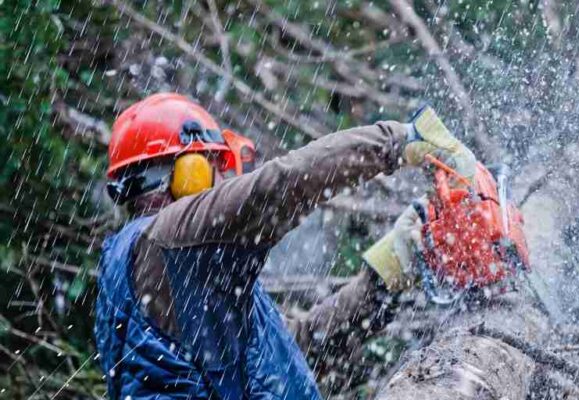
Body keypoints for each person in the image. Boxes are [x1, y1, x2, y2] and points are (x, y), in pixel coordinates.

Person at [93, 93, 475, 399]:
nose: (222, 179)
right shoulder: (171, 237)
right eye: (211, 166)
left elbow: (289, 352)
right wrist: (400, 139)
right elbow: (280, 186)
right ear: (184, 174)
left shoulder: (178, 267)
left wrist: (384, 276)